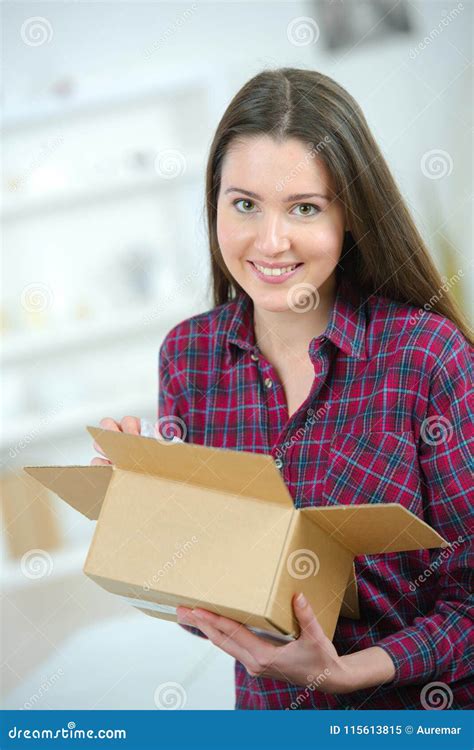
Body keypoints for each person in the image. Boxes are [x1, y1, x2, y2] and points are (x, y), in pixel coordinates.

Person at [91, 68, 473, 710]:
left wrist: (352, 671)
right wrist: (145, 515)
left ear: (351, 215)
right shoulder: (189, 360)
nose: (270, 242)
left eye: (304, 207)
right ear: (213, 204)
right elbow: (208, 607)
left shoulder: (426, 355)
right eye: (244, 204)